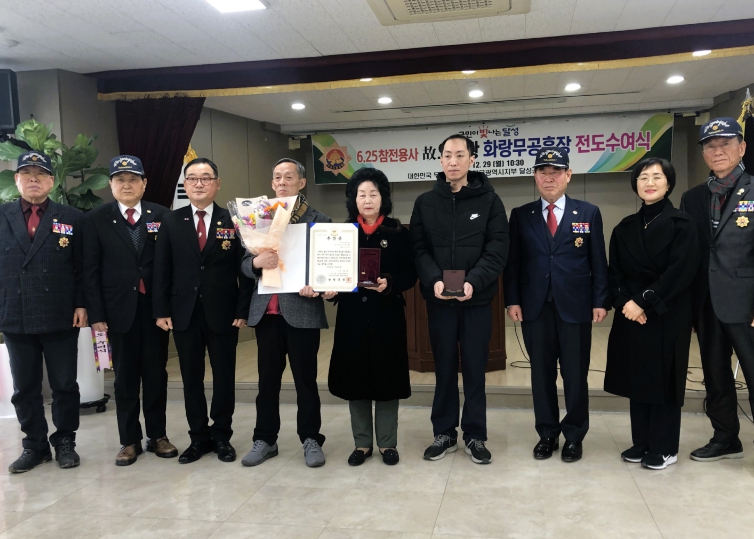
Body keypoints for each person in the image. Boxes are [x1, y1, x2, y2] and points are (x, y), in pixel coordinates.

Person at [504, 148, 608, 463]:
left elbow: (598, 261)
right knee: (541, 375)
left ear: (568, 175)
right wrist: (512, 300)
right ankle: (547, 433)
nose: (549, 178)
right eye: (543, 172)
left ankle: (574, 436)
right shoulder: (521, 215)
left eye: (556, 172)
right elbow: (513, 263)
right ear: (535, 176)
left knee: (575, 375)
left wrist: (600, 300)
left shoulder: (588, 212)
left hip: (576, 307)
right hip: (535, 307)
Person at [410, 134, 509, 465]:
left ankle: (475, 435)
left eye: (460, 155)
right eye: (447, 155)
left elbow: (497, 249)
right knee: (443, 369)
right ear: (440, 160)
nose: (453, 161)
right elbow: (418, 248)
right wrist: (434, 279)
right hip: (439, 301)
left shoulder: (490, 201)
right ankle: (444, 433)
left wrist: (473, 281)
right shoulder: (425, 202)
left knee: (475, 369)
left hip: (476, 301)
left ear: (471, 160)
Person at [153, 157, 252, 464]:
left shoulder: (232, 220)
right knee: (191, 378)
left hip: (224, 312)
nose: (199, 183)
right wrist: (161, 310)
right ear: (185, 184)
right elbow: (161, 269)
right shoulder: (171, 220)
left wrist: (243, 308)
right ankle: (198, 437)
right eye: (193, 178)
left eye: (206, 178)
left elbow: (245, 267)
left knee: (224, 377)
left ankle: (222, 436)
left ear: (217, 184)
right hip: (183, 312)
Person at [604, 158, 700, 470]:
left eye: (657, 177)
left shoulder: (682, 224)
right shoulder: (624, 227)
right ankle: (642, 442)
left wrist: (644, 301)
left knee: (665, 380)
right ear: (635, 184)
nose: (650, 182)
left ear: (669, 183)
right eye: (643, 177)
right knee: (638, 378)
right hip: (632, 314)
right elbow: (614, 273)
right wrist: (625, 304)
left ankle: (665, 447)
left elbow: (681, 271)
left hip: (666, 312)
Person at [82, 155, 177, 466]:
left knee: (156, 375)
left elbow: (170, 266)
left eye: (133, 179)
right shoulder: (95, 219)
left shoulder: (162, 215)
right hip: (116, 312)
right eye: (120, 179)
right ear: (111, 184)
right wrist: (96, 316)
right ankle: (129, 440)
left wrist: (167, 307)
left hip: (155, 312)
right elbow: (90, 271)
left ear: (144, 183)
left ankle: (158, 435)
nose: (127, 185)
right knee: (124, 379)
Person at [240, 158, 334, 468]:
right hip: (266, 313)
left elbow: (328, 265)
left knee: (306, 381)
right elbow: (243, 264)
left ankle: (311, 438)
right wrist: (256, 263)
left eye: (289, 177)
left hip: (302, 311)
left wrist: (318, 284)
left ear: (301, 183)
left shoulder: (319, 220)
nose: (282, 182)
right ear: (272, 183)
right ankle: (265, 439)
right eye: (277, 177)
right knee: (267, 382)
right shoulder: (259, 218)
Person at [0, 151, 87, 473]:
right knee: (24, 387)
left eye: (40, 174)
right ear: (17, 180)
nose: (33, 179)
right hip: (15, 313)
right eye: (27, 174)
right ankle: (34, 445)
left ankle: (65, 441)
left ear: (52, 181)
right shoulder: (2, 215)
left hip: (60, 314)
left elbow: (83, 268)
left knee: (65, 384)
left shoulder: (72, 217)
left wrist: (82, 304)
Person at [328, 168, 417, 466]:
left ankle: (388, 444)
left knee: (387, 378)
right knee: (355, 378)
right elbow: (332, 272)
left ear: (383, 198)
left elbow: (410, 273)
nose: (367, 200)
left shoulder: (398, 232)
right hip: (352, 318)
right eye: (361, 194)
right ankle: (362, 443)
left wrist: (389, 282)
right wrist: (330, 291)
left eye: (373, 194)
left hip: (386, 317)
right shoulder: (341, 233)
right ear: (353, 199)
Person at [680, 117, 754, 462]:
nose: (718, 150)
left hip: (746, 306)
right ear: (704, 154)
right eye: (710, 146)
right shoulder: (693, 198)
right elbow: (689, 254)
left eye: (726, 143)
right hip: (707, 305)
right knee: (715, 374)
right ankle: (725, 438)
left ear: (742, 147)